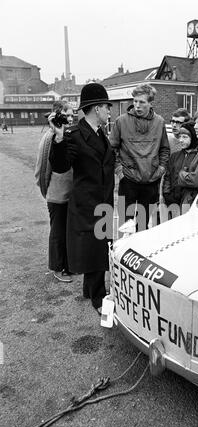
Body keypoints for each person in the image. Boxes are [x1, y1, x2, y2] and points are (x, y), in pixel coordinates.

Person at [49, 83, 115, 314]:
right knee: (94, 249)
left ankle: (90, 289)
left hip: (103, 202)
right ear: (97, 109)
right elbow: (60, 165)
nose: (109, 112)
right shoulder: (74, 135)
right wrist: (58, 140)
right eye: (107, 107)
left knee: (100, 246)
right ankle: (98, 297)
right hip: (88, 204)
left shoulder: (100, 133)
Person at [109, 83, 170, 230]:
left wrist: (160, 169)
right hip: (128, 180)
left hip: (151, 180)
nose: (137, 105)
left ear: (150, 103)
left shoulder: (159, 122)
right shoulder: (121, 121)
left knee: (143, 226)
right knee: (126, 226)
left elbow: (164, 149)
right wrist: (119, 171)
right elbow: (112, 149)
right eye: (135, 101)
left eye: (141, 102)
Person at [35, 100, 74, 282]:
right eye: (67, 115)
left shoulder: (67, 134)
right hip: (57, 196)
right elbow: (41, 170)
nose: (71, 118)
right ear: (58, 115)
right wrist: (48, 192)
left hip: (68, 195)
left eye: (73, 114)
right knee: (58, 232)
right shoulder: (50, 137)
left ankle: (67, 265)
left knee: (67, 231)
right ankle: (57, 268)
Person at [163, 121, 198, 214]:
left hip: (188, 201)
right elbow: (167, 175)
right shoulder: (175, 156)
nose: (181, 140)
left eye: (185, 137)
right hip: (172, 200)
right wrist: (167, 194)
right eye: (180, 136)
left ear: (193, 138)